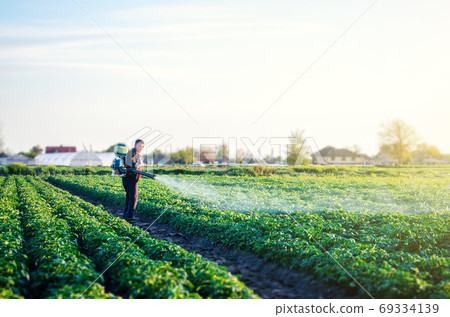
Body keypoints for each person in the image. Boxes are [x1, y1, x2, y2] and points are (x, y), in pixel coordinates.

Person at [122, 139, 145, 220]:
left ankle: (126, 214)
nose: (141, 148)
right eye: (139, 146)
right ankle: (129, 216)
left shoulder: (136, 154)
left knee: (129, 197)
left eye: (142, 147)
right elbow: (129, 163)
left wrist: (138, 166)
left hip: (129, 179)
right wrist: (135, 165)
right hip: (130, 179)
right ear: (135, 145)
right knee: (134, 198)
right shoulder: (131, 153)